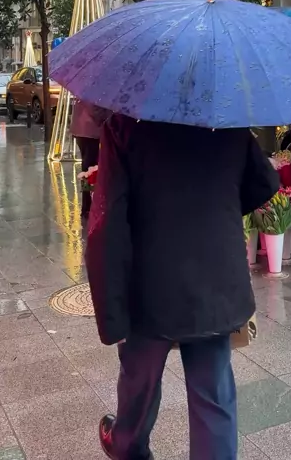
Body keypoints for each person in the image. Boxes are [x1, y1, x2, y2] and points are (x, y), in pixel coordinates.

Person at [86, 115, 279, 460]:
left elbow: (108, 223)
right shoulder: (224, 118)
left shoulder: (125, 126)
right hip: (214, 279)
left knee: (139, 382)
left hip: (150, 284)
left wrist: (112, 313)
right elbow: (263, 182)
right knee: (212, 393)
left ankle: (127, 445)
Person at [71, 99, 111, 218]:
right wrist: (109, 116)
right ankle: (87, 207)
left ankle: (87, 205)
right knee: (90, 171)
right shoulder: (94, 89)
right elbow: (95, 108)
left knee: (88, 169)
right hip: (90, 130)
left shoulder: (84, 87)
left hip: (82, 129)